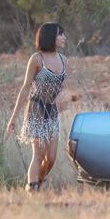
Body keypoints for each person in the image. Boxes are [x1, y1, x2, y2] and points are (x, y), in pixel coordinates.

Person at [7, 22, 67, 192]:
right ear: (50, 37)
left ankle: (38, 181)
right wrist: (13, 117)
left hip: (53, 113)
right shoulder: (36, 59)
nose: (64, 38)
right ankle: (33, 188)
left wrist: (62, 95)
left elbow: (62, 86)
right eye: (60, 34)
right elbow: (26, 87)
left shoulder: (64, 60)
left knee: (52, 157)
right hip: (37, 110)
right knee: (39, 155)